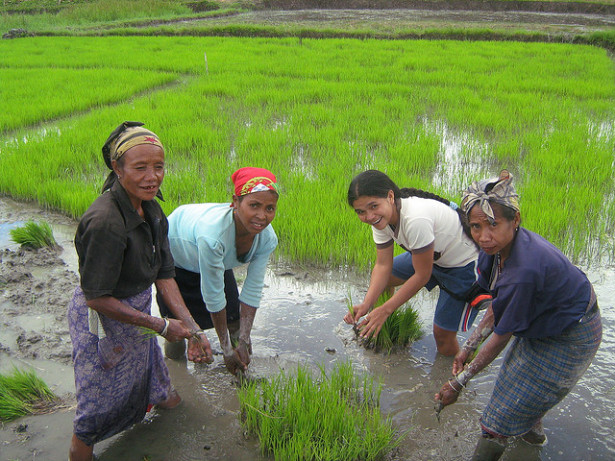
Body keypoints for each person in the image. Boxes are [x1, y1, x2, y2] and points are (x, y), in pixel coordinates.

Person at [67, 121, 213, 461]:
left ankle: (175, 426)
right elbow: (97, 297)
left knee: (158, 382)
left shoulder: (151, 208)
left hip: (138, 312)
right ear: (118, 169)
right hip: (103, 321)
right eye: (140, 168)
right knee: (95, 406)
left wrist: (190, 327)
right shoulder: (106, 221)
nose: (152, 177)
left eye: (158, 167)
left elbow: (164, 273)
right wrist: (161, 326)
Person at [435, 170, 602, 460]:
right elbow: (500, 304)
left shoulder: (524, 270)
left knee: (499, 416)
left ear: (516, 221)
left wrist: (459, 382)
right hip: (545, 319)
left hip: (571, 334)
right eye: (475, 226)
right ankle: (532, 440)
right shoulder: (496, 248)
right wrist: (469, 347)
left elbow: (503, 333)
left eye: (493, 225)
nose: (483, 236)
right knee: (519, 391)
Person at [344, 169, 489, 356]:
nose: (369, 216)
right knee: (385, 280)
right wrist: (367, 304)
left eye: (373, 206)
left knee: (443, 336)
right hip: (431, 256)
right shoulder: (381, 220)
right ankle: (383, 328)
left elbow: (422, 275)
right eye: (361, 212)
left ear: (390, 196)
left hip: (462, 265)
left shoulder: (415, 219)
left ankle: (457, 375)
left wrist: (385, 309)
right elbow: (382, 266)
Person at [156, 167, 279, 375]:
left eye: (270, 208)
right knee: (178, 329)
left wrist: (244, 339)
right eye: (254, 205)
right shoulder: (213, 236)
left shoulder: (266, 238)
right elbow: (213, 296)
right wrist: (225, 349)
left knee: (235, 320)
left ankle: (239, 362)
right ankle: (175, 371)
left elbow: (253, 289)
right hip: (177, 256)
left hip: (215, 259)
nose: (262, 216)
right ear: (235, 202)